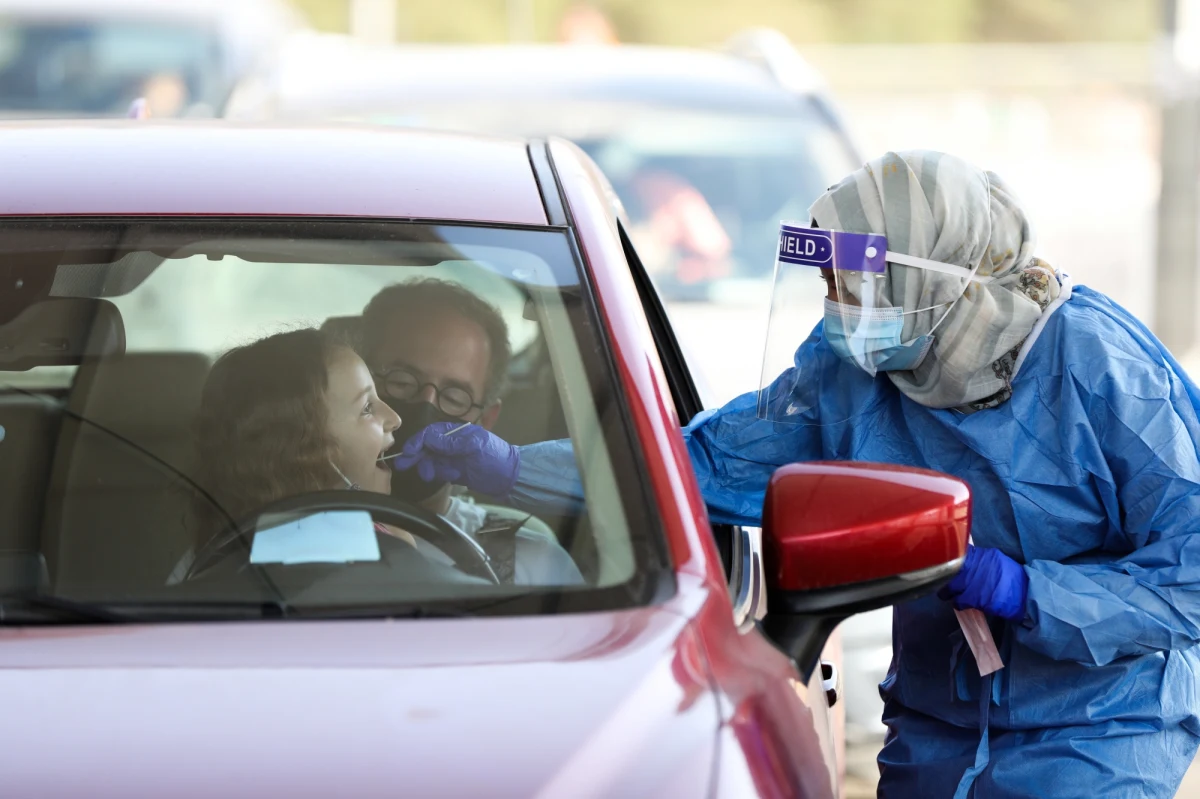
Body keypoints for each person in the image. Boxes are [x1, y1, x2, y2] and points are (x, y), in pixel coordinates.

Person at [392, 151, 1200, 797]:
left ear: (926, 279)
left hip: (1095, 734)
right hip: (937, 730)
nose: (833, 302)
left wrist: (1030, 593)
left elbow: (1192, 573)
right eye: (825, 279)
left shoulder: (1105, 371)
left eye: (847, 279)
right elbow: (697, 466)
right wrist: (509, 468)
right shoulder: (855, 367)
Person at [175, 327, 474, 585]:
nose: (395, 417)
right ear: (307, 450)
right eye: (367, 408)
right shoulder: (391, 550)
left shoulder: (212, 558)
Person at [359, 279, 582, 586]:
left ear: (485, 421)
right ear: (359, 383)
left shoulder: (529, 563)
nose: (424, 408)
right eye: (402, 380)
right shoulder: (284, 522)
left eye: (453, 397)